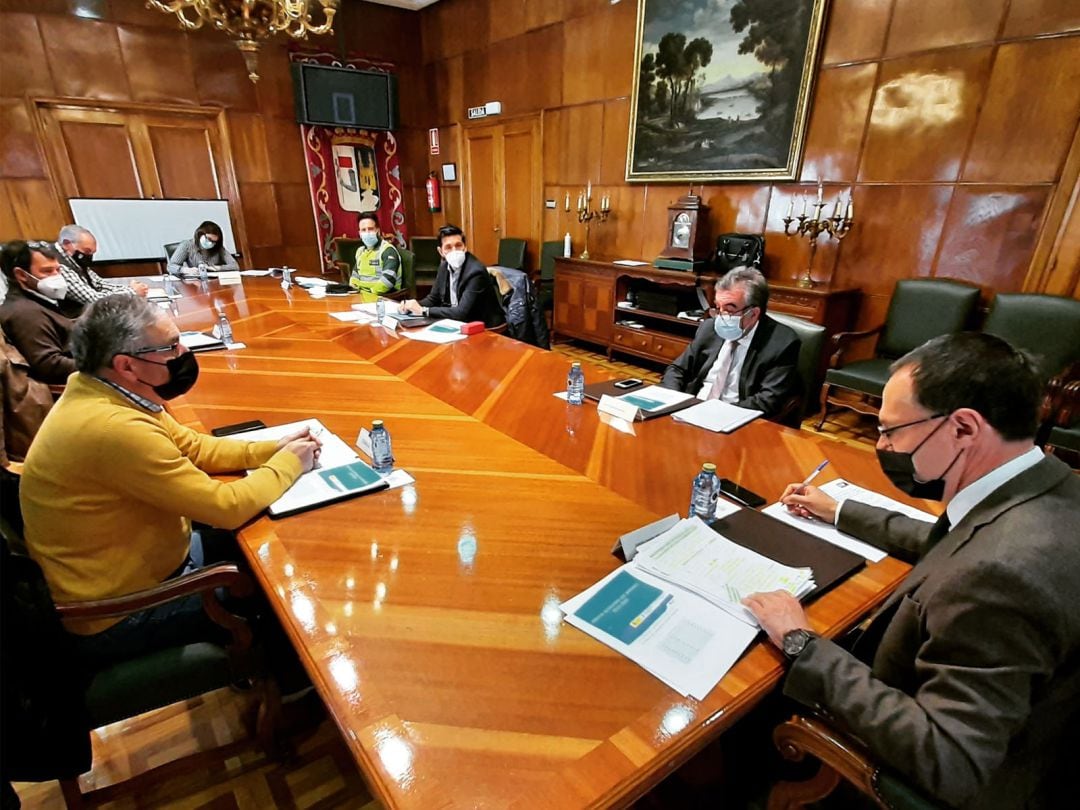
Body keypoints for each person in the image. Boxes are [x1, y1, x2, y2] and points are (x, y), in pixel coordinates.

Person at [743, 332, 1079, 808]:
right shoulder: (1042, 486)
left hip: (976, 779)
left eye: (892, 430)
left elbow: (951, 758)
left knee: (749, 712)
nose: (883, 444)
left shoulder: (1004, 575)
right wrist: (840, 511)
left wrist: (802, 643)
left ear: (963, 428)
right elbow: (958, 540)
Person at [20, 294, 322, 682]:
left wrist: (271, 448)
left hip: (145, 561)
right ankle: (292, 690)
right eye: (171, 347)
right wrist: (289, 463)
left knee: (272, 548)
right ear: (127, 365)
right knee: (285, 592)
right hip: (118, 611)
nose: (184, 353)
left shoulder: (104, 391)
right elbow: (225, 506)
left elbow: (194, 447)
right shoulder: (112, 427)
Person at [660, 267, 801, 421]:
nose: (720, 317)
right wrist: (675, 401)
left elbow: (768, 400)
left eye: (729, 310)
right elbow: (677, 369)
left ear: (753, 314)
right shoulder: (709, 328)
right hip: (691, 409)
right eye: (718, 308)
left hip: (737, 419)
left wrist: (715, 414)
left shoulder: (782, 343)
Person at [400, 224, 506, 328]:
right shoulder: (444, 265)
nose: (454, 251)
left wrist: (423, 311)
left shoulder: (475, 272)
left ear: (465, 248)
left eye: (458, 245)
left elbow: (461, 312)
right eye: (448, 247)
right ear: (441, 252)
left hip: (484, 327)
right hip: (458, 323)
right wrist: (412, 305)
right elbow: (433, 299)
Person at [0, 240, 76, 385]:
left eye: (58, 270)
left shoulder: (37, 301)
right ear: (21, 275)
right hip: (69, 387)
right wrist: (103, 367)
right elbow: (49, 365)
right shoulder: (24, 313)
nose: (56, 276)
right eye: (47, 271)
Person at [55, 224, 148, 313]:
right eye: (87, 251)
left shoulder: (73, 260)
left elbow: (100, 284)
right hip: (74, 321)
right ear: (67, 244)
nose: (89, 256)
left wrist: (130, 288)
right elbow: (93, 299)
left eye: (92, 253)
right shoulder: (57, 265)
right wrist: (131, 291)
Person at [349, 212, 401, 300]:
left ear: (377, 230)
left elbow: (388, 281)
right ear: (359, 233)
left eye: (370, 229)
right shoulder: (360, 251)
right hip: (361, 295)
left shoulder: (387, 250)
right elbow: (354, 276)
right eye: (363, 230)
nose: (367, 233)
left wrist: (370, 293)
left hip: (382, 297)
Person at [167, 221, 239, 277]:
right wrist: (185, 270)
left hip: (213, 283)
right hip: (193, 285)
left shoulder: (218, 247)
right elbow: (170, 266)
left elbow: (235, 266)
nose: (210, 243)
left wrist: (217, 268)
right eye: (209, 239)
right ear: (200, 234)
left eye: (214, 241)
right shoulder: (187, 245)